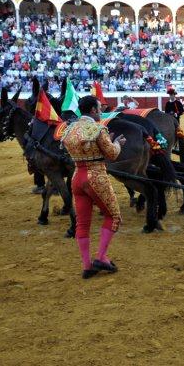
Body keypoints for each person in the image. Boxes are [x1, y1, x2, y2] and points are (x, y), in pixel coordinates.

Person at [61, 95, 126, 279]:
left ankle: (87, 265)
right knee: (113, 216)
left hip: (77, 177)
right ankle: (101, 257)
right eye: (99, 108)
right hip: (95, 177)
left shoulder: (69, 130)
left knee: (82, 223)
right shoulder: (97, 129)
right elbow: (112, 154)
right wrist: (117, 144)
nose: (101, 111)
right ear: (92, 110)